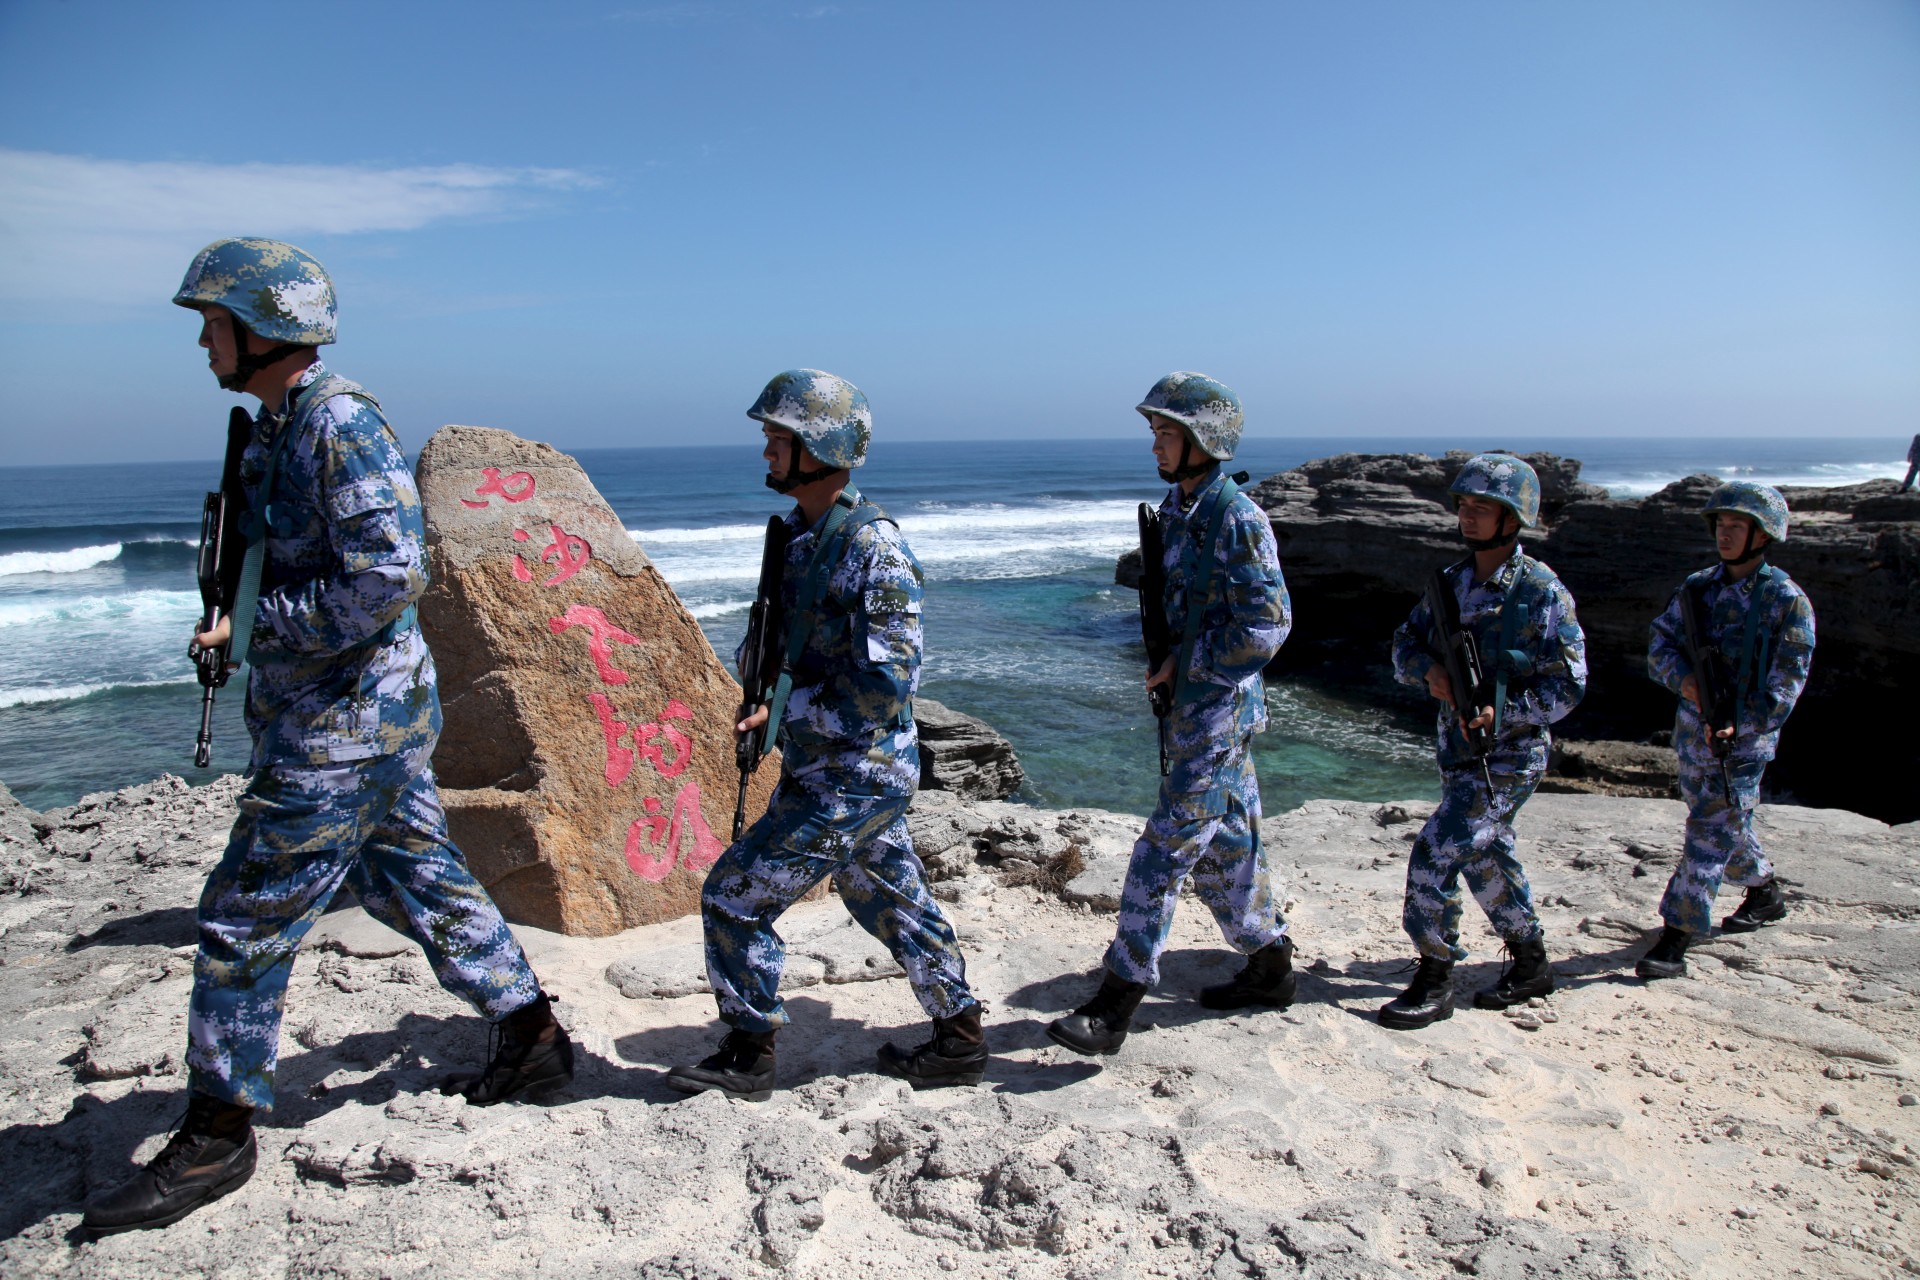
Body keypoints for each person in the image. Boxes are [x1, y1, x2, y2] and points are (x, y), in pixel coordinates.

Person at [83, 239, 571, 1237]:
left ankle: (220, 1127)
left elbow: (389, 576)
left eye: (215, 325)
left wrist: (258, 622)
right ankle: (531, 1028)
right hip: (346, 719)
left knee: (242, 914)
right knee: (411, 877)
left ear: (264, 330)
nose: (205, 343)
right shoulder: (279, 425)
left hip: (348, 724)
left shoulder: (338, 425)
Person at [665, 369, 985, 1101]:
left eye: (780, 441)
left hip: (857, 770)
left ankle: (750, 1053)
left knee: (734, 896)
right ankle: (960, 1036)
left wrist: (784, 715)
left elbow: (885, 689)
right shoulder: (803, 539)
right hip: (829, 769)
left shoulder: (874, 552)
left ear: (821, 447)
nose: (768, 454)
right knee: (890, 896)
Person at [1046, 372, 1293, 1057]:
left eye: (1167, 432)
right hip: (1194, 713)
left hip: (1217, 713)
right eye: (1155, 431)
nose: (1155, 443)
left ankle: (1115, 1002)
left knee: (1160, 854)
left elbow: (1270, 626)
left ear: (1203, 441)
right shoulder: (1180, 508)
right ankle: (1270, 967)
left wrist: (1189, 667)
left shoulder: (1237, 517)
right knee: (1233, 847)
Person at [1378, 454, 1587, 1030]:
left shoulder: (1541, 591)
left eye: (1485, 508)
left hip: (1511, 756)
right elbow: (1404, 643)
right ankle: (1531, 960)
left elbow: (1570, 684)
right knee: (1484, 855)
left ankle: (1435, 972)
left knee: (1438, 849)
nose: (1469, 517)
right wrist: (1429, 672)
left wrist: (1508, 711)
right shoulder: (1449, 584)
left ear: (1514, 517)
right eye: (1465, 506)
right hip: (1458, 751)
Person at [1636, 482, 1815, 980]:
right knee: (1722, 819)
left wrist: (1744, 723)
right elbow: (1660, 647)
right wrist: (1686, 681)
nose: (1725, 534)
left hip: (1745, 741)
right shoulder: (1697, 589)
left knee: (1710, 827)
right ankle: (1763, 891)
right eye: (1721, 525)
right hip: (1694, 733)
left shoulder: (1785, 600)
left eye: (1737, 526)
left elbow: (1788, 681)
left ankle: (1678, 932)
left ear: (1764, 534)